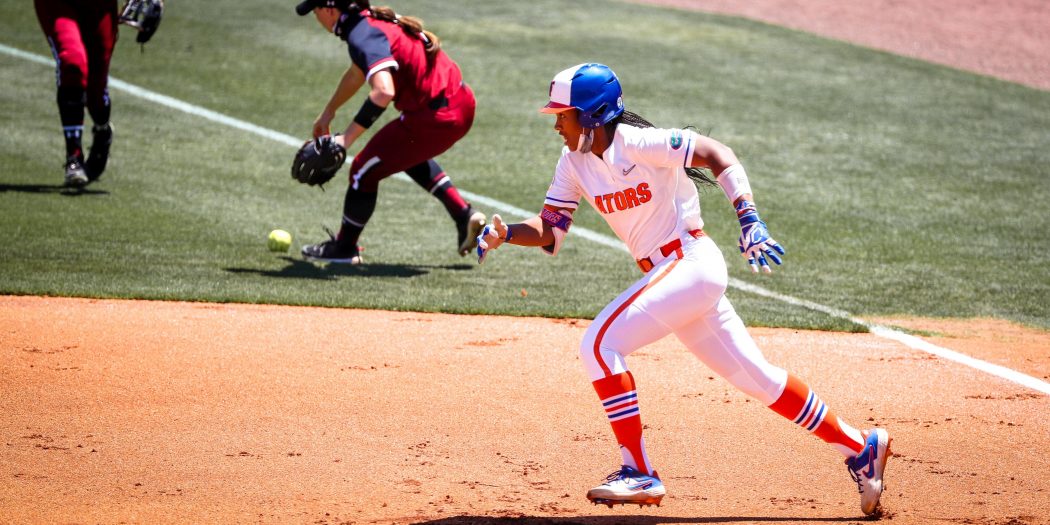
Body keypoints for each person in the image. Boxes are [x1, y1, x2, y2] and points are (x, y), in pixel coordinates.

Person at [476, 63, 892, 516]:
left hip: (691, 263)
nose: (556, 123)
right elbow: (551, 229)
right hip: (677, 279)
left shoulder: (639, 143)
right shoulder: (573, 163)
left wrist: (750, 218)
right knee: (759, 379)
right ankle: (859, 446)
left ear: (593, 115)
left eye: (564, 114)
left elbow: (718, 153)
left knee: (598, 345)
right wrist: (507, 234)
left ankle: (637, 469)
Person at [294, 0, 485, 264]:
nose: (316, 18)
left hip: (435, 117)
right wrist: (329, 111)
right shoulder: (372, 21)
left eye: (315, 11)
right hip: (459, 102)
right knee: (400, 153)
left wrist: (345, 140)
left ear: (329, 10)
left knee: (362, 171)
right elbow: (357, 73)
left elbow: (383, 92)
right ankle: (463, 215)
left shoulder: (362, 34)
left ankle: (344, 248)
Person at [34, 0, 162, 188]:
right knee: (72, 62)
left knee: (96, 91)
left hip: (100, 7)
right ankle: (74, 156)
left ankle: (102, 131)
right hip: (57, 4)